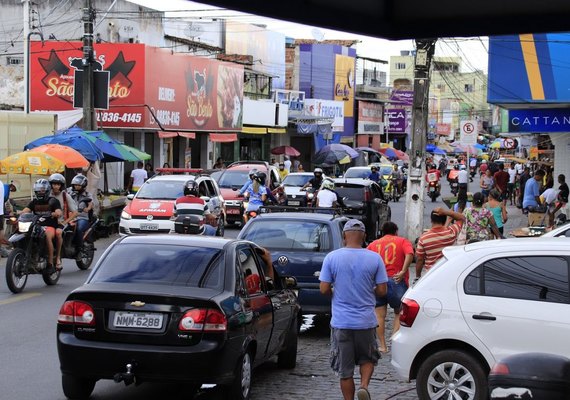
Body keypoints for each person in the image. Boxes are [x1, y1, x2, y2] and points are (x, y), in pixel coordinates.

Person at [319, 219, 388, 400]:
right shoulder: (374, 258)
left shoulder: (332, 258)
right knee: (368, 359)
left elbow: (324, 289)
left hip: (341, 323)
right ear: (364, 236)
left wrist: (336, 290)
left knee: (345, 370)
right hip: (365, 321)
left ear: (344, 236)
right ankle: (364, 386)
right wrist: (369, 289)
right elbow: (382, 290)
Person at [366, 221, 413, 353]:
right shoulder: (403, 241)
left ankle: (382, 345)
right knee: (399, 312)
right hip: (396, 280)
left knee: (379, 315)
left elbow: (366, 259)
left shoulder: (373, 244)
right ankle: (394, 341)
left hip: (378, 282)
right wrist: (403, 271)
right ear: (396, 231)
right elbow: (410, 254)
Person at [22, 179, 62, 273]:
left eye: (42, 190)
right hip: (36, 226)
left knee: (47, 235)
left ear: (47, 190)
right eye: (38, 191)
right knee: (24, 233)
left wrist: (56, 213)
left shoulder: (53, 201)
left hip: (50, 226)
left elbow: (59, 211)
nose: (40, 192)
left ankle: (50, 264)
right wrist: (18, 213)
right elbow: (25, 211)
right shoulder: (34, 202)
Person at [415, 207, 465, 279]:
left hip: (431, 275)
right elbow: (462, 218)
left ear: (431, 220)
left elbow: (420, 260)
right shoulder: (451, 232)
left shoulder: (423, 238)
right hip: (448, 274)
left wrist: (418, 276)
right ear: (444, 220)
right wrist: (446, 212)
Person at [49, 173, 78, 270]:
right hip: (47, 222)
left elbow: (75, 212)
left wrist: (65, 222)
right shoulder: (47, 195)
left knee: (58, 233)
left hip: (61, 223)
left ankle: (58, 258)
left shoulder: (65, 196)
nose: (56, 186)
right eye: (54, 184)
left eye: (58, 184)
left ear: (61, 185)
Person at [67, 174, 93, 249]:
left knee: (79, 228)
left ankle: (79, 247)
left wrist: (87, 208)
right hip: (70, 217)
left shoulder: (87, 195)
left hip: (82, 217)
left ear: (83, 185)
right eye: (75, 185)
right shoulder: (69, 192)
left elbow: (90, 204)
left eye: (78, 185)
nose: (76, 187)